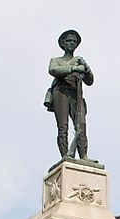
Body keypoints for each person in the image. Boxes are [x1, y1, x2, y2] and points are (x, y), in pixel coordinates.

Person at [45, 29, 94, 160]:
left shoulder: (79, 60)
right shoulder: (57, 60)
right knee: (63, 126)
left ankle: (84, 155)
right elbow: (53, 70)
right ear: (63, 44)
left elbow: (90, 81)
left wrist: (86, 68)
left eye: (74, 41)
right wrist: (72, 68)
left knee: (81, 125)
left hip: (76, 94)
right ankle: (65, 154)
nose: (71, 43)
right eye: (68, 41)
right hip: (61, 92)